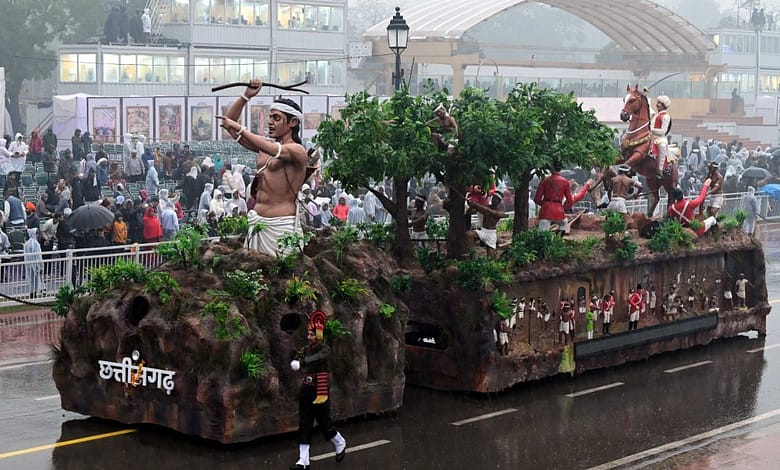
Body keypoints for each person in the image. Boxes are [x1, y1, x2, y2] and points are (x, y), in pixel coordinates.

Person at [217, 79, 308, 258]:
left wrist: (240, 128)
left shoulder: (298, 151)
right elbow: (229, 123)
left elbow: (275, 150)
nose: (270, 122)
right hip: (258, 222)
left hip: (281, 226)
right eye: (270, 117)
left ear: (293, 122)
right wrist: (246, 96)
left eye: (276, 118)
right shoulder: (264, 148)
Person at [288, 311, 347, 469]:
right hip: (306, 389)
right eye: (308, 334)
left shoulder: (325, 350)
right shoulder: (305, 349)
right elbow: (299, 358)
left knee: (324, 422)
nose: (309, 337)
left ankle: (339, 442)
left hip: (320, 389)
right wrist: (295, 359)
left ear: (319, 335)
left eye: (312, 334)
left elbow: (316, 359)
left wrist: (303, 362)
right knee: (304, 423)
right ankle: (303, 460)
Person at [534, 167, 574, 234]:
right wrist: (562, 207)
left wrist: (545, 204)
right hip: (558, 210)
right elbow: (570, 200)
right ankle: (558, 238)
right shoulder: (565, 181)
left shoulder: (545, 180)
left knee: (542, 233)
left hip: (546, 210)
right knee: (564, 223)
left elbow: (537, 199)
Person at [466, 193, 506, 259]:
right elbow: (469, 212)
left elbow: (489, 211)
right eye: (493, 197)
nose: (493, 199)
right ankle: (472, 256)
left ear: (499, 201)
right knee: (469, 234)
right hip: (483, 231)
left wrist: (476, 205)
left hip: (491, 234)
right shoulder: (485, 207)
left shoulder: (501, 212)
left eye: (496, 198)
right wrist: (471, 205)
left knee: (491, 259)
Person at [650, 95, 672, 179]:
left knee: (662, 146)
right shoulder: (656, 115)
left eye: (659, 103)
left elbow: (663, 131)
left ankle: (660, 169)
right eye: (657, 102)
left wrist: (651, 130)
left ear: (663, 105)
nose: (657, 105)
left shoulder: (666, 116)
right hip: (651, 136)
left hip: (660, 138)